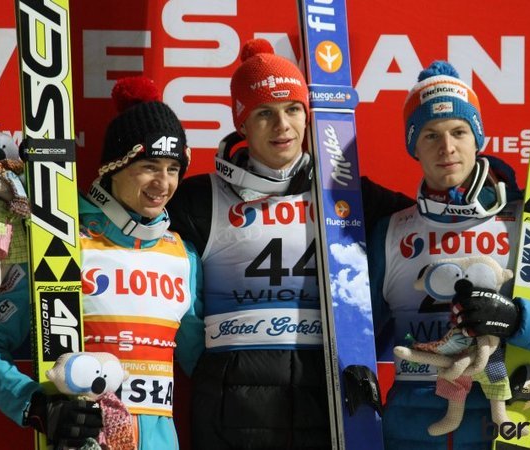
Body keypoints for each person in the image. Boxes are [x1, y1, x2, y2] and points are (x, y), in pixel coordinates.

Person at [167, 38, 413, 450]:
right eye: (265, 113)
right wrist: (214, 370)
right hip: (232, 408)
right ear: (241, 123)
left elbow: (428, 222)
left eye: (293, 109)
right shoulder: (198, 198)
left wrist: (503, 196)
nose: (283, 126)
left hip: (327, 400)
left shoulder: (348, 195)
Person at [367, 60, 530, 450]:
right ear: (413, 145)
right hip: (411, 434)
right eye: (430, 135)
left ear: (477, 137)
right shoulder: (390, 231)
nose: (447, 147)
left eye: (459, 132)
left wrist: (519, 318)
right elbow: (353, 335)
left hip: (509, 430)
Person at [0, 76, 205, 449]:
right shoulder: (61, 239)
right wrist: (37, 407)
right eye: (149, 165)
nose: (163, 182)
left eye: (173, 168)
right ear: (113, 168)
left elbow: (203, 366)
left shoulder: (181, 256)